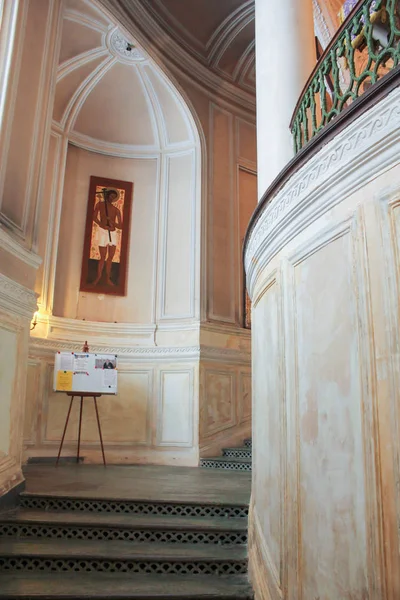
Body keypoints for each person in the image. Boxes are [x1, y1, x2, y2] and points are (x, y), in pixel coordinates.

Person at [92, 188, 122, 286]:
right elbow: (94, 217)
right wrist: (102, 224)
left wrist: (112, 222)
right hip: (103, 232)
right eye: (110, 196)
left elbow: (121, 226)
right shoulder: (100, 205)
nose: (111, 198)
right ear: (107, 195)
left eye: (113, 197)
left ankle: (107, 278)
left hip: (112, 233)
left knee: (110, 257)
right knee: (103, 257)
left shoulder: (116, 210)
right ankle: (98, 277)